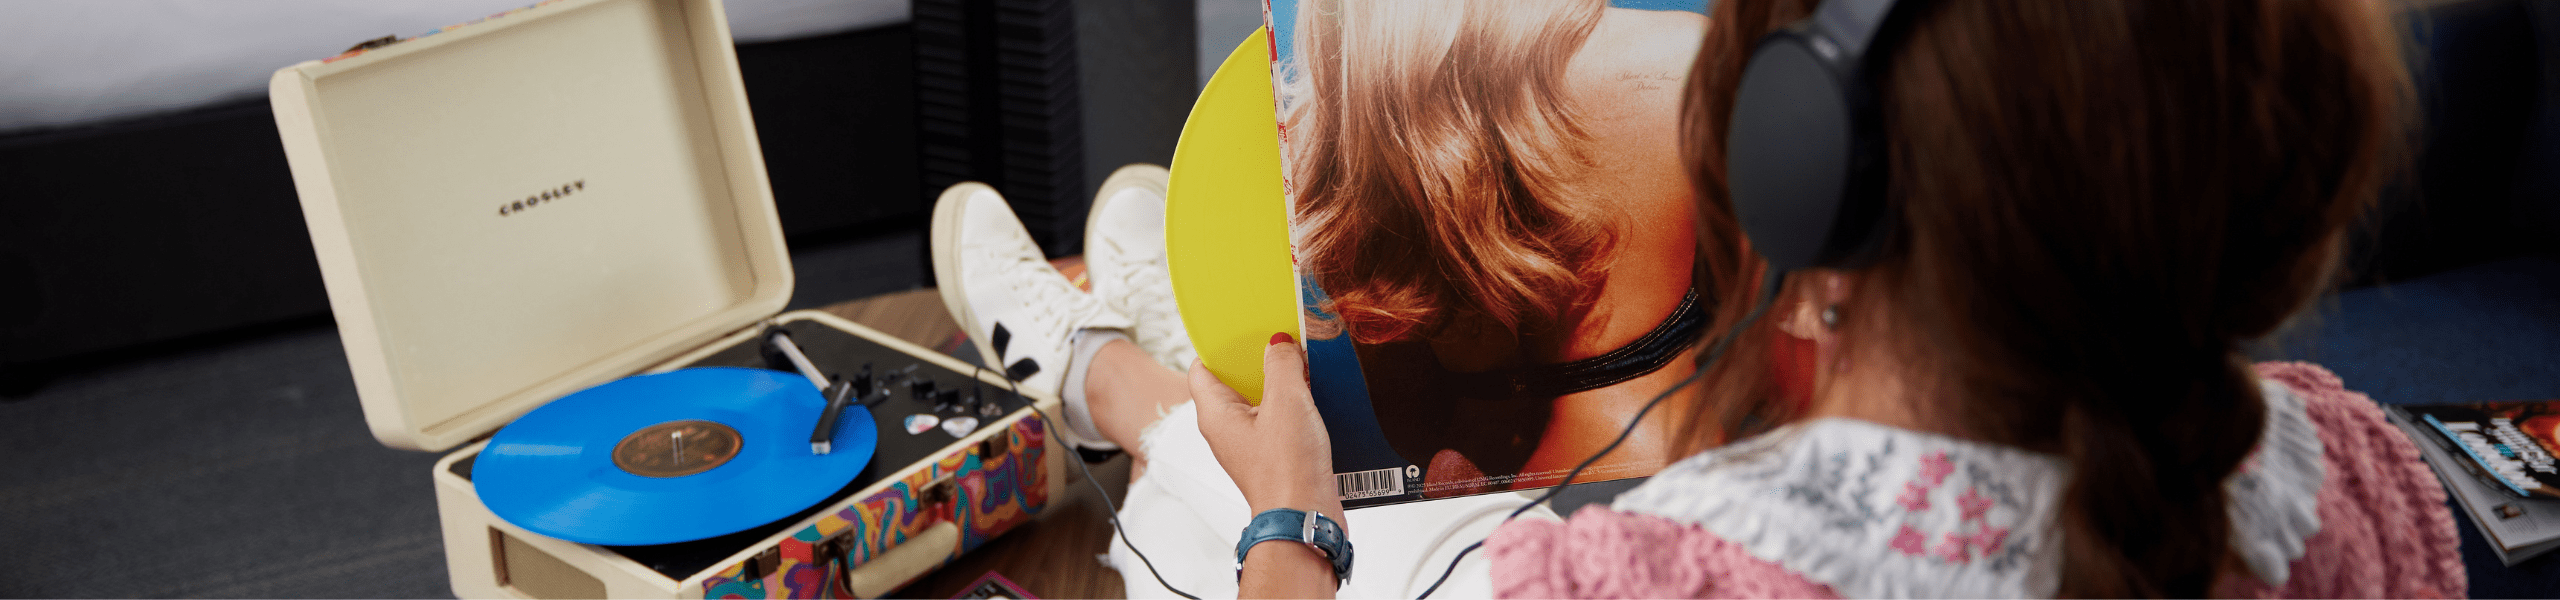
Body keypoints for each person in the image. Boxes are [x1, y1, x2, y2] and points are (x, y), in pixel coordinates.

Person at [927, 0, 2463, 597]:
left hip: (1395, 528)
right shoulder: (2369, 478)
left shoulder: (1653, 586)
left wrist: (1294, 535)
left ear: (1810, 187)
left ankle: (1091, 366)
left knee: (1256, 489)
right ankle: (1104, 355)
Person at [1278, 0, 1711, 494]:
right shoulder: (1685, 57)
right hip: (1678, 486)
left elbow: (1413, 426)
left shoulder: (1343, 144)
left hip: (1493, 522)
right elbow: (1768, 351)